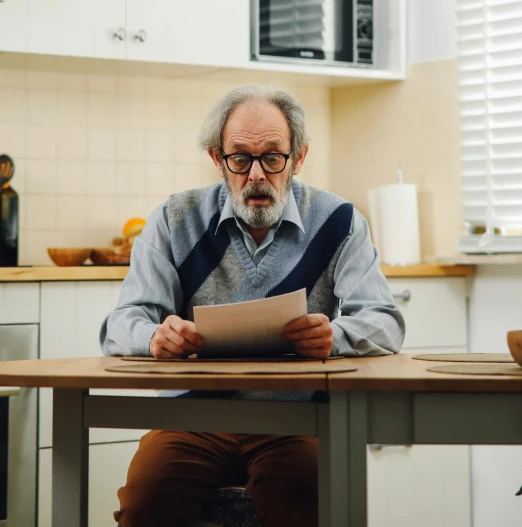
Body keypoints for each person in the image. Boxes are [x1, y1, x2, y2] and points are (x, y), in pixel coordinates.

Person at [100, 84, 405, 527]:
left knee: (307, 498)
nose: (257, 175)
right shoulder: (174, 218)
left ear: (298, 158)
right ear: (217, 159)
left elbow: (385, 321)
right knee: (147, 504)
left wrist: (334, 336)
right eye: (240, 159)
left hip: (297, 420)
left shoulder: (339, 221)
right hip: (190, 418)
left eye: (273, 158)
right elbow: (120, 323)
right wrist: (154, 337)